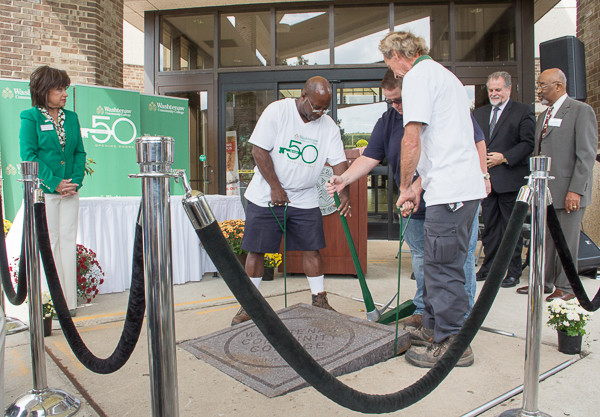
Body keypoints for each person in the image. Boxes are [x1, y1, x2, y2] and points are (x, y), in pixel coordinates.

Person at [327, 69, 489, 330]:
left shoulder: (441, 110)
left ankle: (462, 321)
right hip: (412, 204)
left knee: (458, 261)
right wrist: (344, 179)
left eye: (400, 100)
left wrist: (483, 175)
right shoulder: (389, 119)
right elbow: (370, 156)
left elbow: (470, 145)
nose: (395, 106)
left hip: (449, 199)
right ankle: (427, 312)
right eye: (390, 101)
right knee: (422, 260)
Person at [379, 31, 486, 368]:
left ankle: (453, 343)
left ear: (397, 56)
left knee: (442, 268)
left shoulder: (418, 77)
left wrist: (406, 185)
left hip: (450, 194)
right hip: (460, 188)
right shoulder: (446, 76)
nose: (391, 70)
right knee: (447, 263)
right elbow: (448, 145)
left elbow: (412, 139)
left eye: (388, 62)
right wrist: (417, 188)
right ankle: (437, 329)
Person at [232, 76, 350, 325]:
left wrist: (344, 190)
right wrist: (275, 187)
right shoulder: (278, 111)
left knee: (312, 248)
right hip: (266, 194)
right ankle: (248, 305)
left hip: (304, 196)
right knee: (257, 249)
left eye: (324, 108)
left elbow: (339, 161)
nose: (320, 113)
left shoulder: (328, 126)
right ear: (303, 97)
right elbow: (259, 150)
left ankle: (319, 300)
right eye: (316, 106)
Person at [517, 68, 597, 301]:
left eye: (542, 85)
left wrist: (575, 190)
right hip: (546, 193)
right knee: (547, 240)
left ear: (559, 86)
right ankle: (544, 281)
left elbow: (586, 155)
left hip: (569, 193)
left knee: (567, 242)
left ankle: (567, 287)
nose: (539, 89)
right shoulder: (544, 115)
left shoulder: (581, 111)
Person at [20, 66, 86, 314]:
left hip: (70, 192)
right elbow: (29, 156)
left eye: (65, 89)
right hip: (45, 194)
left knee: (68, 243)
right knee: (50, 244)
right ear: (43, 90)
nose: (65, 94)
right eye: (59, 89)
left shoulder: (72, 117)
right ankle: (48, 303)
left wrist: (74, 182)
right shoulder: (30, 117)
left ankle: (68, 304)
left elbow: (80, 152)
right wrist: (54, 183)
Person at [473, 71, 535, 288]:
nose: (494, 93)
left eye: (498, 89)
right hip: (486, 183)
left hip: (510, 180)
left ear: (509, 89)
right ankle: (488, 268)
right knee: (490, 229)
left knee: (512, 229)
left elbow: (528, 143)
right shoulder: (479, 114)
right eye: (491, 90)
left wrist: (504, 158)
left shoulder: (523, 111)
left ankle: (512, 271)